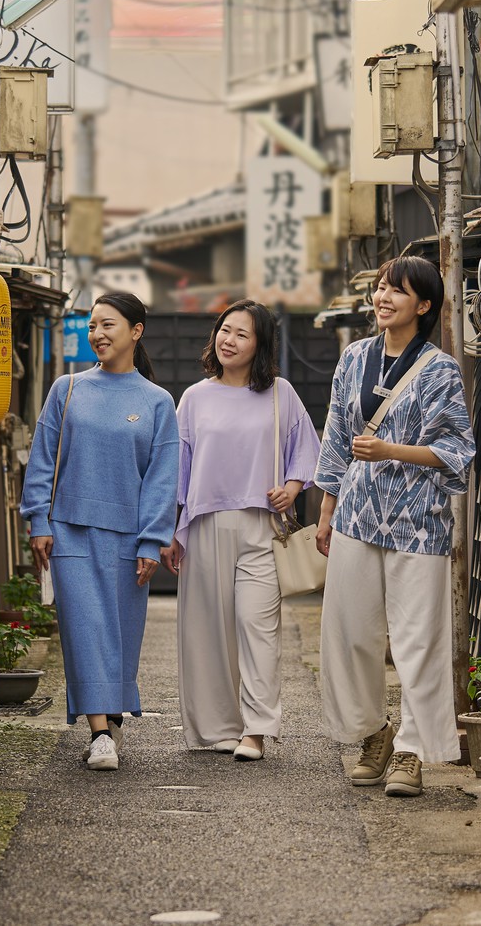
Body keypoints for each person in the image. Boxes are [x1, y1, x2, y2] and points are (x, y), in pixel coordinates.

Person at [314, 257, 474, 797]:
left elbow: (457, 448)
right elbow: (337, 435)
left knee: (416, 640)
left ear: (423, 306)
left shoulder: (439, 369)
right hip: (357, 515)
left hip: (417, 520)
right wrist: (326, 510)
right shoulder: (354, 358)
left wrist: (390, 450)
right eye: (381, 288)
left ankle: (410, 750)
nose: (382, 297)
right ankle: (372, 732)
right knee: (350, 632)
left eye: (396, 291)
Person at [20, 292, 178, 771]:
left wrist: (153, 539)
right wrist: (38, 520)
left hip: (129, 538)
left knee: (122, 634)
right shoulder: (66, 388)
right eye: (92, 326)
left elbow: (162, 478)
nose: (98, 334)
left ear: (136, 331)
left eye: (108, 325)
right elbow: (43, 458)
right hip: (69, 531)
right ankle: (100, 733)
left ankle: (112, 718)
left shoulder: (157, 401)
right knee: (84, 629)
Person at [165, 301, 319, 762]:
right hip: (204, 523)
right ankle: (217, 728)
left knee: (258, 628)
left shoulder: (281, 394)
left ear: (261, 345)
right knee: (206, 630)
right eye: (224, 330)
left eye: (241, 334)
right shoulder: (194, 397)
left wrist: (292, 489)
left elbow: (304, 451)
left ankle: (256, 729)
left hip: (261, 527)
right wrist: (171, 532)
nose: (228, 340)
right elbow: (178, 471)